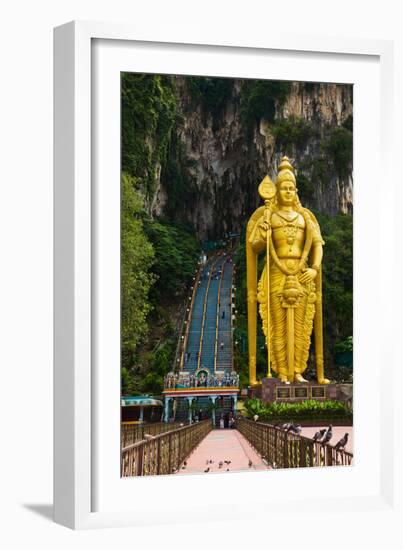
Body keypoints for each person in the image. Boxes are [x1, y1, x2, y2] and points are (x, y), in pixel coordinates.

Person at [246, 157, 329, 385]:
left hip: (302, 272)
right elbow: (254, 246)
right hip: (276, 272)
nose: (288, 192)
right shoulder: (269, 216)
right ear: (277, 191)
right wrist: (263, 232)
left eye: (291, 188)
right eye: (284, 188)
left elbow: (317, 245)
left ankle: (298, 371)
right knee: (279, 325)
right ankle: (282, 371)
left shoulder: (306, 218)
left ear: (296, 190)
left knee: (302, 325)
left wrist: (314, 269)